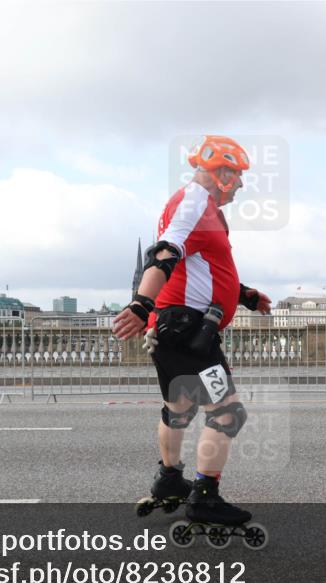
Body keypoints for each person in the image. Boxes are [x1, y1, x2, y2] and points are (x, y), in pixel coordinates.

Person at [112, 135, 272, 527]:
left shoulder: (201, 207)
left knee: (179, 408)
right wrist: (141, 302)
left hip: (170, 328)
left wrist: (245, 296)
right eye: (237, 175)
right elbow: (165, 253)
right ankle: (205, 497)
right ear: (220, 173)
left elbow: (201, 267)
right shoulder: (194, 202)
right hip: (189, 331)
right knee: (228, 413)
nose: (240, 184)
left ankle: (169, 480)